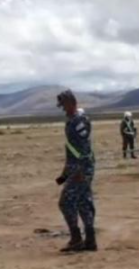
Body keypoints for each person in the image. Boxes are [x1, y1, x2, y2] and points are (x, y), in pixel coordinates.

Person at [55, 90, 97, 253]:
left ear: (72, 103)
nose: (63, 109)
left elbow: (84, 148)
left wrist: (79, 170)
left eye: (64, 105)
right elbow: (72, 151)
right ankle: (90, 240)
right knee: (83, 202)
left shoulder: (79, 120)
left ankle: (76, 239)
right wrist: (64, 175)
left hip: (82, 169)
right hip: (77, 169)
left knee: (65, 202)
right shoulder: (72, 120)